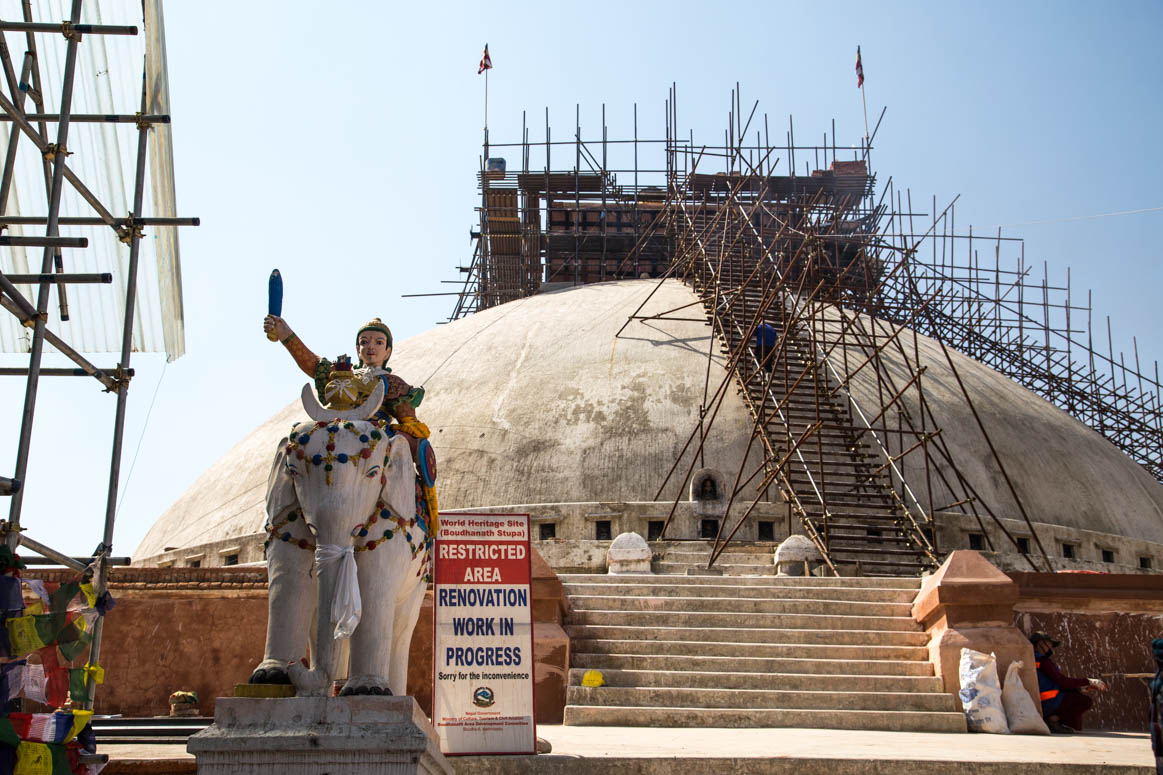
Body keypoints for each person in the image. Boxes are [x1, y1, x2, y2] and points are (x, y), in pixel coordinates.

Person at [263, 314, 430, 464]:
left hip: (372, 440)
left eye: (379, 342)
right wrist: (285, 333)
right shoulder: (341, 374)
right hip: (335, 432)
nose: (371, 347)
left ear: (387, 352)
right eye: (364, 342)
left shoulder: (394, 384)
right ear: (358, 349)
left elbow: (409, 424)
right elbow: (313, 364)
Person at [1030, 630, 1107, 733]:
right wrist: (1088, 681)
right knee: (1084, 701)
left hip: (1039, 702)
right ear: (1040, 644)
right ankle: (1052, 720)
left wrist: (1080, 688)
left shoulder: (1032, 658)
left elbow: (1055, 683)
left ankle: (1052, 719)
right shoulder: (1043, 661)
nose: (1051, 648)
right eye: (1049, 645)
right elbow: (1062, 681)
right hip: (1047, 703)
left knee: (1074, 694)